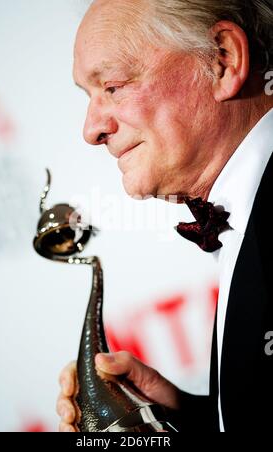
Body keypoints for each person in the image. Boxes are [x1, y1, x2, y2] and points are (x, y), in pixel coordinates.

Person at [57, 0, 273, 432]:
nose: (90, 129)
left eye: (113, 86)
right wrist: (175, 421)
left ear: (222, 61)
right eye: (89, 95)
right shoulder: (241, 214)